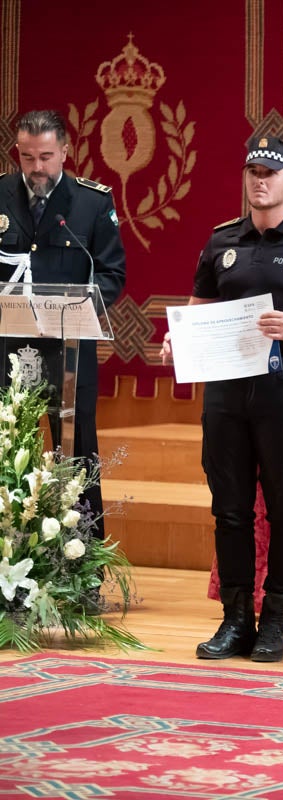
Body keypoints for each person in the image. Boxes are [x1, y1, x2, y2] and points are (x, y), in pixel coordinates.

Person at [162, 136, 283, 663]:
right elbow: (199, 307)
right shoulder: (221, 240)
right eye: (253, 170)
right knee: (229, 510)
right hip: (226, 390)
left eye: (271, 172)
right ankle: (235, 621)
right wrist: (179, 339)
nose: (259, 180)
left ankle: (274, 622)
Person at [0, 109, 126, 549]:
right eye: (27, 157)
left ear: (66, 152)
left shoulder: (91, 203)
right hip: (7, 348)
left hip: (68, 349)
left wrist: (74, 309)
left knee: (77, 453)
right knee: (7, 447)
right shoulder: (1, 194)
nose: (37, 167)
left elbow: (111, 274)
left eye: (46, 157)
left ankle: (81, 558)